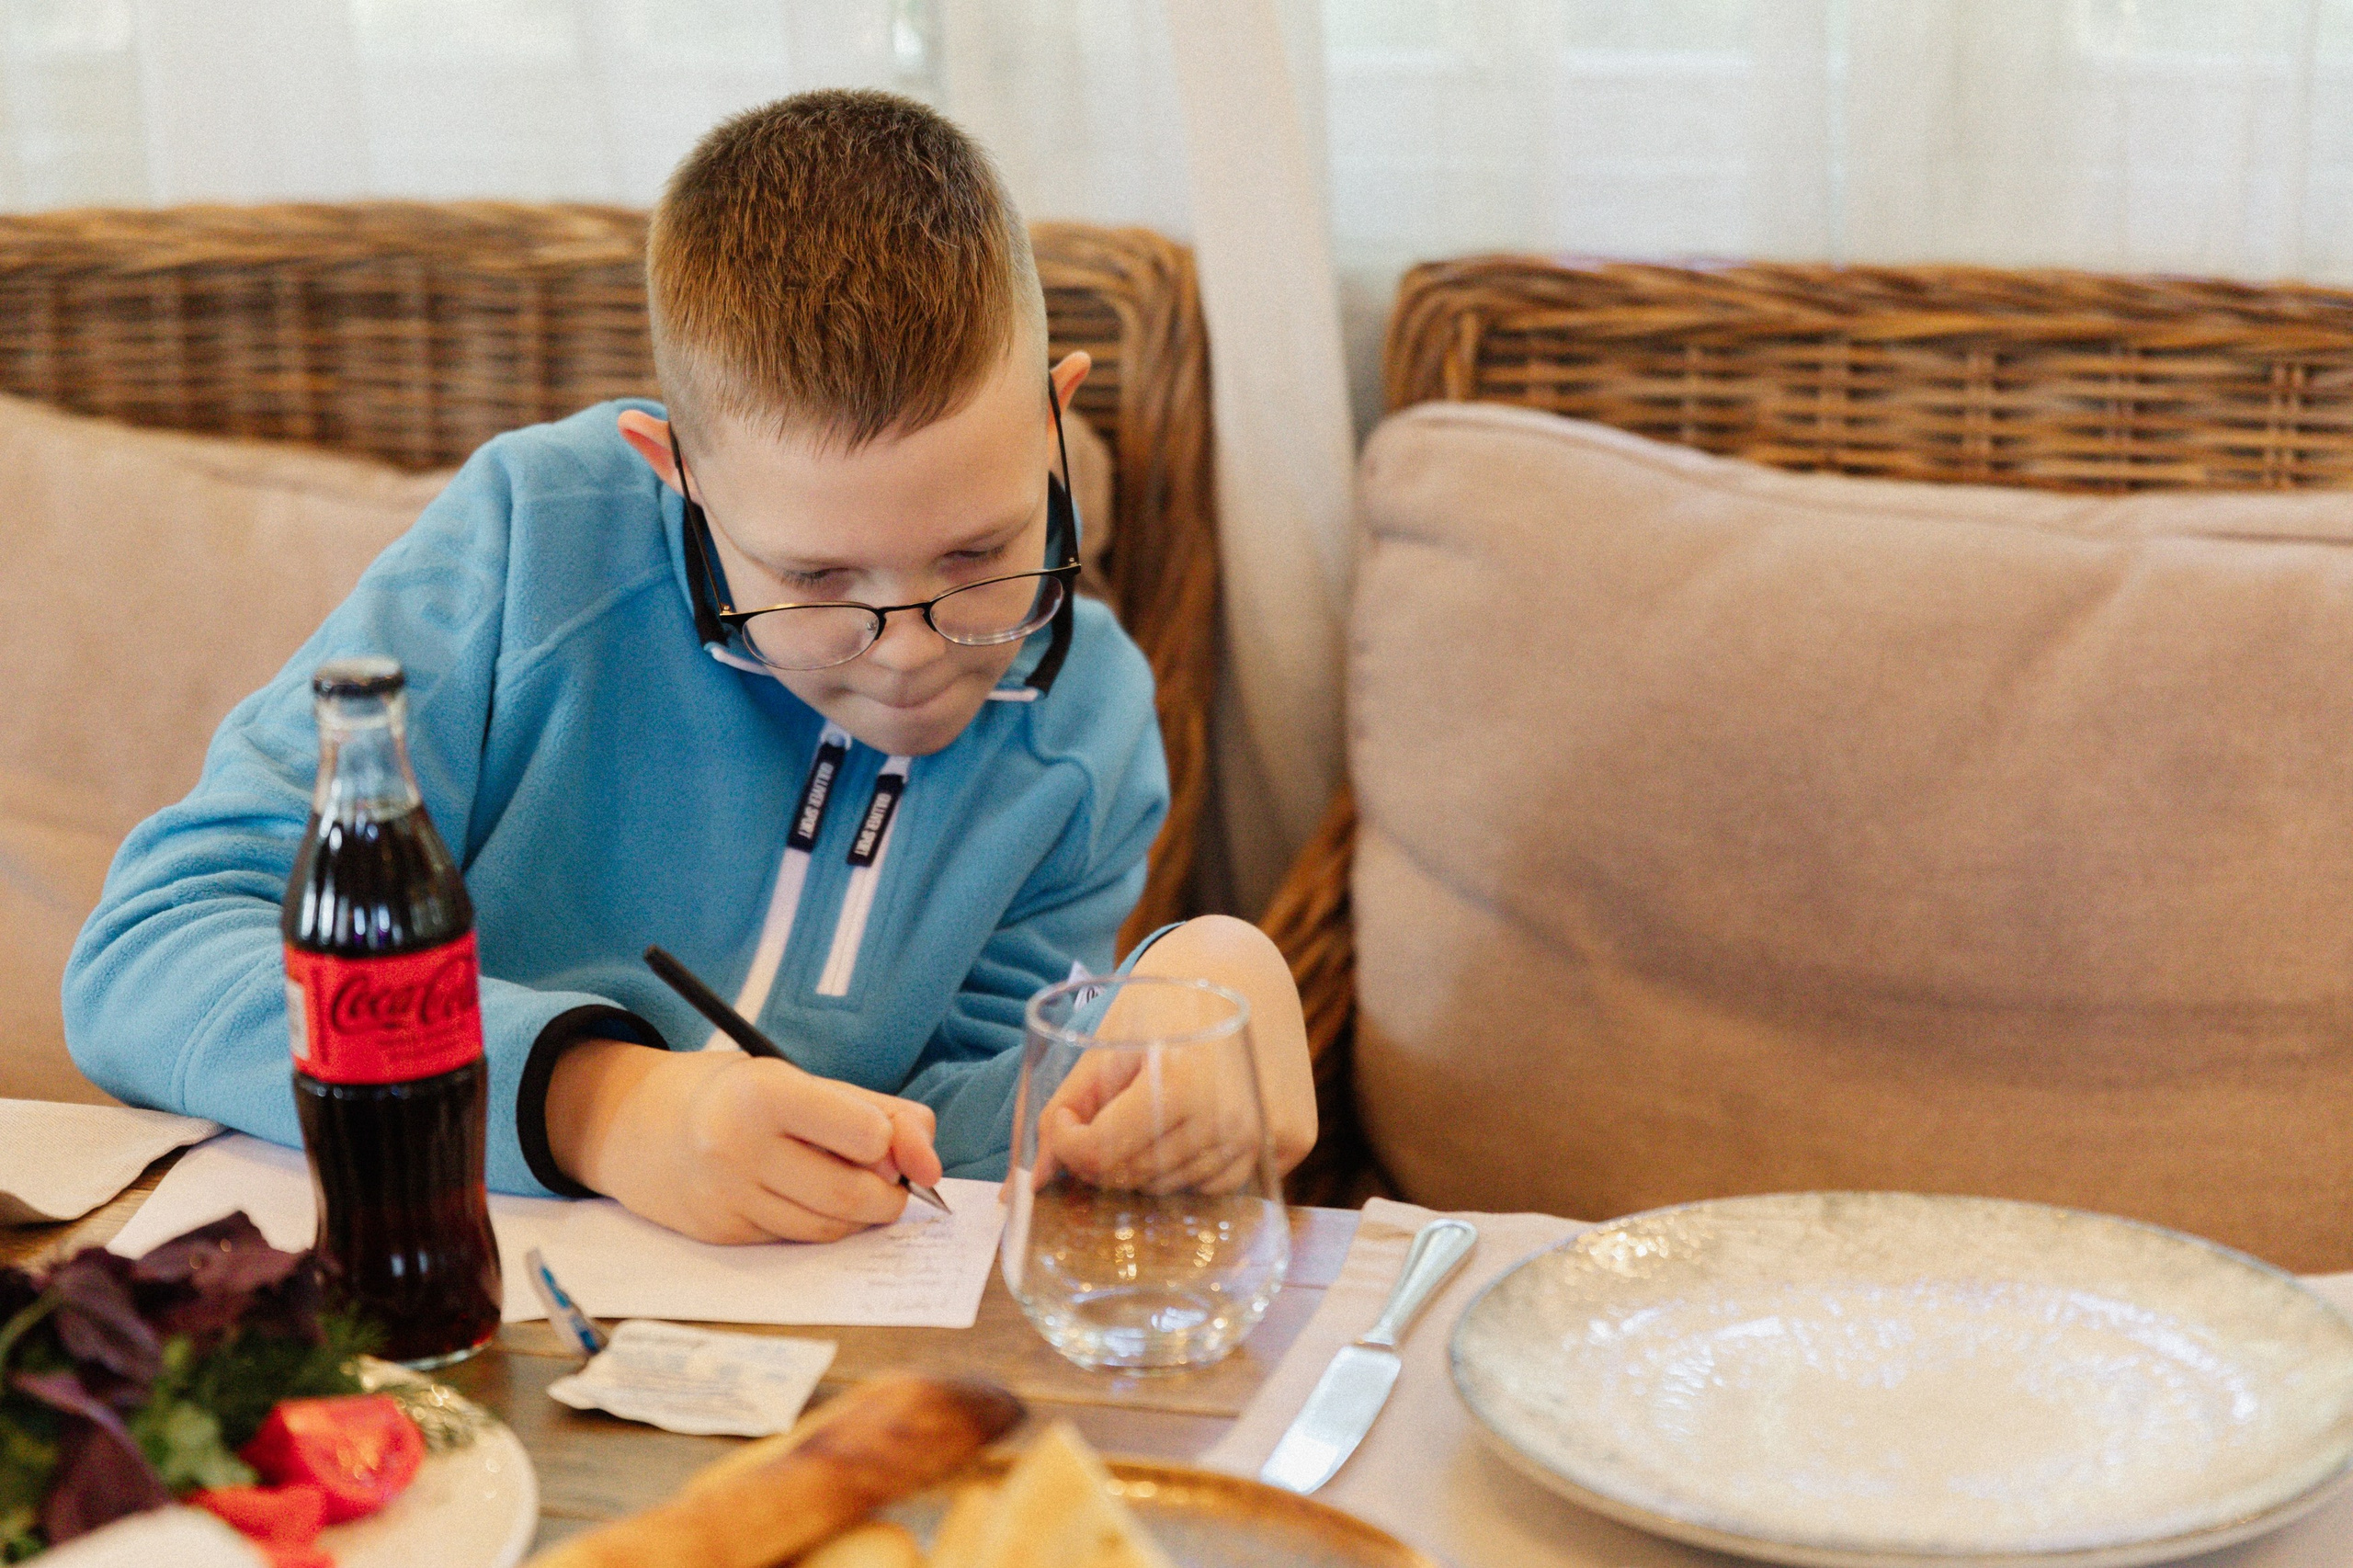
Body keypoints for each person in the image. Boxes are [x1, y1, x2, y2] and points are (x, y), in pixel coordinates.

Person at [63, 89, 1315, 1245]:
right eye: (819, 581)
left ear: (1055, 418)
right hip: (416, 1292)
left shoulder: (1087, 724)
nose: (918, 653)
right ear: (679, 475)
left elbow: (970, 1129)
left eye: (983, 549)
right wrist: (596, 1104)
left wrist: (1184, 1013)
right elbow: (151, 956)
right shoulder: (528, 548)